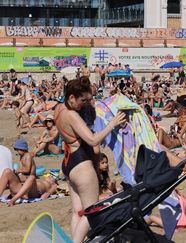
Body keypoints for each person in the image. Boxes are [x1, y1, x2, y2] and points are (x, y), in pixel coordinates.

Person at [54, 77, 125, 242]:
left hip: (68, 164)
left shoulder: (58, 109)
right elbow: (93, 140)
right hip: (82, 165)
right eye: (82, 100)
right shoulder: (72, 115)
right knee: (92, 212)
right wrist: (112, 123)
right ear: (71, 98)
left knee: (77, 211)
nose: (84, 103)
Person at [0, 139, 37, 206]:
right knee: (7, 172)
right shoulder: (21, 156)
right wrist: (15, 173)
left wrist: (18, 171)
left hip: (29, 179)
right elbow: (20, 169)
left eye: (18, 150)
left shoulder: (28, 156)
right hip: (24, 179)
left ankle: (16, 197)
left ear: (22, 149)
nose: (17, 152)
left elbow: (27, 170)